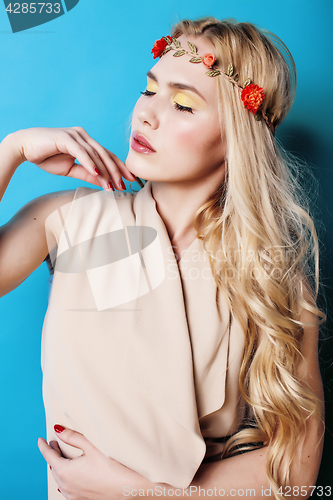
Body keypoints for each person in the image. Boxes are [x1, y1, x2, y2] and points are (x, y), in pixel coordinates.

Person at [0, 17, 325, 500]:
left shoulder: (270, 276)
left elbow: (297, 473)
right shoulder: (67, 221)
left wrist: (143, 493)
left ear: (236, 138)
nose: (147, 115)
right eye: (148, 90)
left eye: (183, 104)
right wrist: (12, 149)